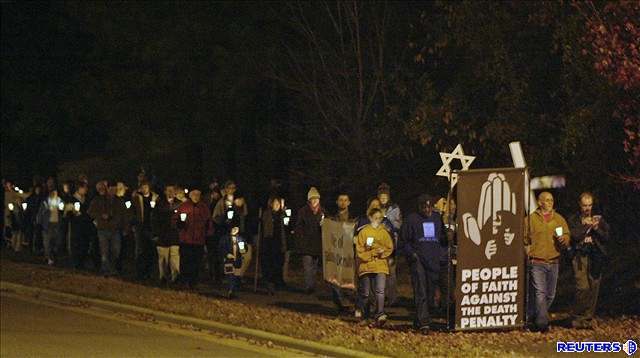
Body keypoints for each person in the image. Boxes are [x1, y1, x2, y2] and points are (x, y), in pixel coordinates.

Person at [525, 191, 570, 333]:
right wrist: (528, 252)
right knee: (540, 293)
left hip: (554, 261)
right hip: (537, 262)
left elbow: (567, 236)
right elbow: (524, 239)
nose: (550, 203)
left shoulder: (558, 219)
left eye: (551, 200)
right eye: (547, 200)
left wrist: (564, 240)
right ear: (540, 202)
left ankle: (530, 318)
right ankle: (542, 324)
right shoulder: (530, 220)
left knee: (550, 294)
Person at [399, 194, 444, 335]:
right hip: (418, 260)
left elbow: (442, 237)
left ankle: (419, 320)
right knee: (421, 291)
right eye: (423, 206)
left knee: (430, 292)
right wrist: (412, 254)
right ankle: (424, 322)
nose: (426, 209)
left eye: (428, 206)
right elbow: (403, 240)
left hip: (433, 259)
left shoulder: (437, 218)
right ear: (419, 207)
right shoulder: (412, 219)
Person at [568, 192, 610, 329]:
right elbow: (574, 235)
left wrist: (596, 227)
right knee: (583, 287)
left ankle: (587, 318)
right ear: (580, 205)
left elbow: (606, 237)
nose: (587, 208)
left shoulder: (598, 219)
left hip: (595, 256)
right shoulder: (574, 219)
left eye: (590, 205)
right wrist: (587, 226)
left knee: (594, 287)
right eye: (585, 205)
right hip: (580, 256)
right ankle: (577, 316)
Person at [355, 208, 394, 326]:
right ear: (370, 218)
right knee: (365, 293)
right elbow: (359, 251)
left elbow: (390, 247)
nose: (378, 220)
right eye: (375, 218)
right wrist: (372, 253)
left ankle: (380, 314)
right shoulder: (364, 232)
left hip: (380, 266)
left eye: (380, 218)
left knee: (380, 291)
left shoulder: (384, 232)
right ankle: (365, 316)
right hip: (366, 266)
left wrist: (383, 253)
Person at [175, 189, 212, 289]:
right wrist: (180, 224)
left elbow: (209, 222)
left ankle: (193, 282)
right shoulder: (184, 206)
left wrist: (207, 234)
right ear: (190, 195)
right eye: (194, 194)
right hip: (186, 239)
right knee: (185, 261)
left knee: (196, 262)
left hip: (199, 240)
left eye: (198, 194)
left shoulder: (204, 208)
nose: (196, 196)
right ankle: (184, 281)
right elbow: (175, 221)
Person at [87, 181, 127, 276]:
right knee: (104, 250)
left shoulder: (119, 201)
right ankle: (105, 269)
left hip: (115, 229)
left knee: (116, 250)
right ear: (107, 189)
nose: (113, 191)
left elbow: (124, 214)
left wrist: (125, 227)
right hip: (103, 229)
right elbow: (90, 211)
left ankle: (112, 268)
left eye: (114, 189)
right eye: (111, 189)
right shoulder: (98, 200)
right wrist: (100, 216)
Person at [294, 187, 325, 294]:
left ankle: (312, 285)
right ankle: (309, 287)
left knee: (314, 267)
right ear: (309, 200)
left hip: (317, 244)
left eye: (316, 198)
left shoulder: (323, 212)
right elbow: (298, 227)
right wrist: (301, 239)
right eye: (313, 198)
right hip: (306, 244)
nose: (315, 200)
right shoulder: (303, 211)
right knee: (307, 267)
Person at [329, 192, 355, 313]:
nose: (343, 202)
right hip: (336, 253)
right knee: (335, 280)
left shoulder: (354, 219)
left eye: (345, 200)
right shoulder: (332, 219)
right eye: (340, 200)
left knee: (348, 280)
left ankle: (351, 304)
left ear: (349, 202)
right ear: (337, 202)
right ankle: (339, 305)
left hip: (350, 253)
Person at [376, 183, 401, 307]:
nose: (383, 198)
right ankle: (380, 296)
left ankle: (392, 297)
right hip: (378, 243)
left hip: (391, 243)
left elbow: (399, 224)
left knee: (391, 271)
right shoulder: (374, 207)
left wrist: (389, 223)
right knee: (379, 270)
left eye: (385, 195)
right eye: (381, 195)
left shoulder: (395, 208)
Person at [152, 185, 181, 286]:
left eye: (172, 191)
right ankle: (163, 277)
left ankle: (175, 277)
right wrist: (156, 233)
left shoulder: (179, 204)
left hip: (174, 236)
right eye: (168, 191)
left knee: (174, 258)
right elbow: (154, 219)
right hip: (162, 235)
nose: (170, 192)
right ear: (165, 192)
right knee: (163, 258)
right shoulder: (160, 204)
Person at [260, 196, 288, 294]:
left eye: (279, 204)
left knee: (279, 262)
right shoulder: (267, 214)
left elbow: (286, 226)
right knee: (270, 263)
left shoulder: (282, 215)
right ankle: (269, 283)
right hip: (270, 242)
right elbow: (266, 228)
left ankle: (277, 281)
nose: (277, 205)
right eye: (275, 203)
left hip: (279, 242)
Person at [132, 180, 159, 280]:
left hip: (151, 227)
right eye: (142, 187)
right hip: (140, 227)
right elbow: (132, 211)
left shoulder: (155, 198)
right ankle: (140, 272)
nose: (144, 189)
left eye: (146, 187)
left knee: (150, 250)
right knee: (140, 250)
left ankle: (149, 272)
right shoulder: (136, 198)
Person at [69, 182, 94, 270]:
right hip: (76, 225)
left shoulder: (87, 199)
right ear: (79, 189)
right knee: (77, 244)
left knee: (84, 244)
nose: (86, 190)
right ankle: (76, 263)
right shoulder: (72, 199)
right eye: (84, 188)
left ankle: (82, 262)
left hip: (85, 225)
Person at [219, 224, 248, 298]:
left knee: (236, 276)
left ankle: (233, 290)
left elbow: (244, 248)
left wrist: (243, 250)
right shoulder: (225, 238)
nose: (235, 230)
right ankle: (230, 290)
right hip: (228, 260)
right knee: (230, 275)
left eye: (236, 229)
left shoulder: (240, 239)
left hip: (237, 260)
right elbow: (221, 248)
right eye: (233, 228)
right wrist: (226, 254)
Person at [36, 189, 64, 265]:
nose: (55, 195)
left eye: (56, 194)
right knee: (47, 242)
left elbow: (63, 210)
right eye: (53, 194)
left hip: (57, 224)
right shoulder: (45, 202)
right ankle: (49, 257)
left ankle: (53, 254)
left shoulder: (60, 201)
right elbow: (40, 212)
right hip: (47, 225)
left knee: (57, 241)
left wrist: (61, 209)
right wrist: (39, 223)